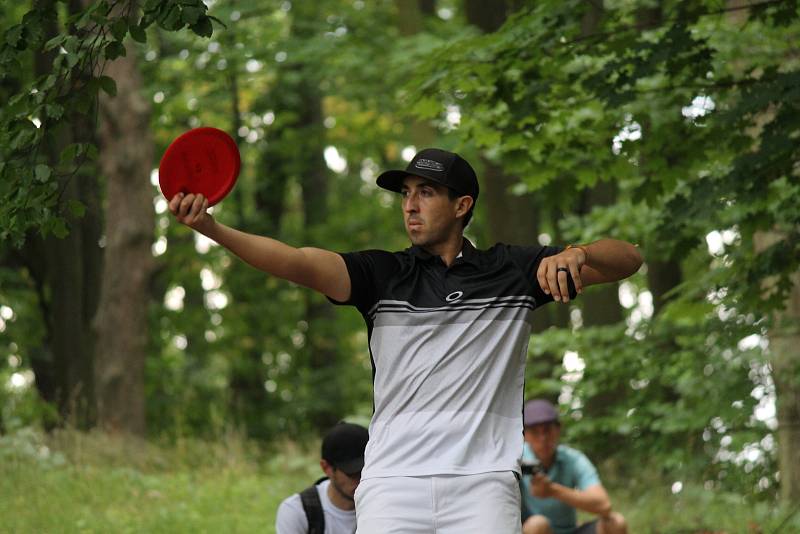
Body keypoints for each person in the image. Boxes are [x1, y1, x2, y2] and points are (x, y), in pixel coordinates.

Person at [169, 147, 643, 533]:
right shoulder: (382, 274)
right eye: (406, 194)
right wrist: (211, 227)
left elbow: (629, 259)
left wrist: (575, 254)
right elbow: (296, 261)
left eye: (427, 192)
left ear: (462, 205)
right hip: (391, 484)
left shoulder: (514, 271)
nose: (410, 205)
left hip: (483, 484)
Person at [520, 399, 627, 534]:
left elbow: (604, 505)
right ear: (524, 435)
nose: (543, 438)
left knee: (616, 522)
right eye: (535, 432)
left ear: (558, 430)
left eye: (547, 430)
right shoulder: (516, 459)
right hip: (532, 529)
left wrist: (552, 490)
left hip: (571, 530)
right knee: (537, 525)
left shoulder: (573, 459)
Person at [275, 421, 369, 534]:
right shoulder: (297, 512)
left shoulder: (381, 505)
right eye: (353, 473)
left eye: (367, 471)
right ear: (326, 468)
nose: (362, 479)